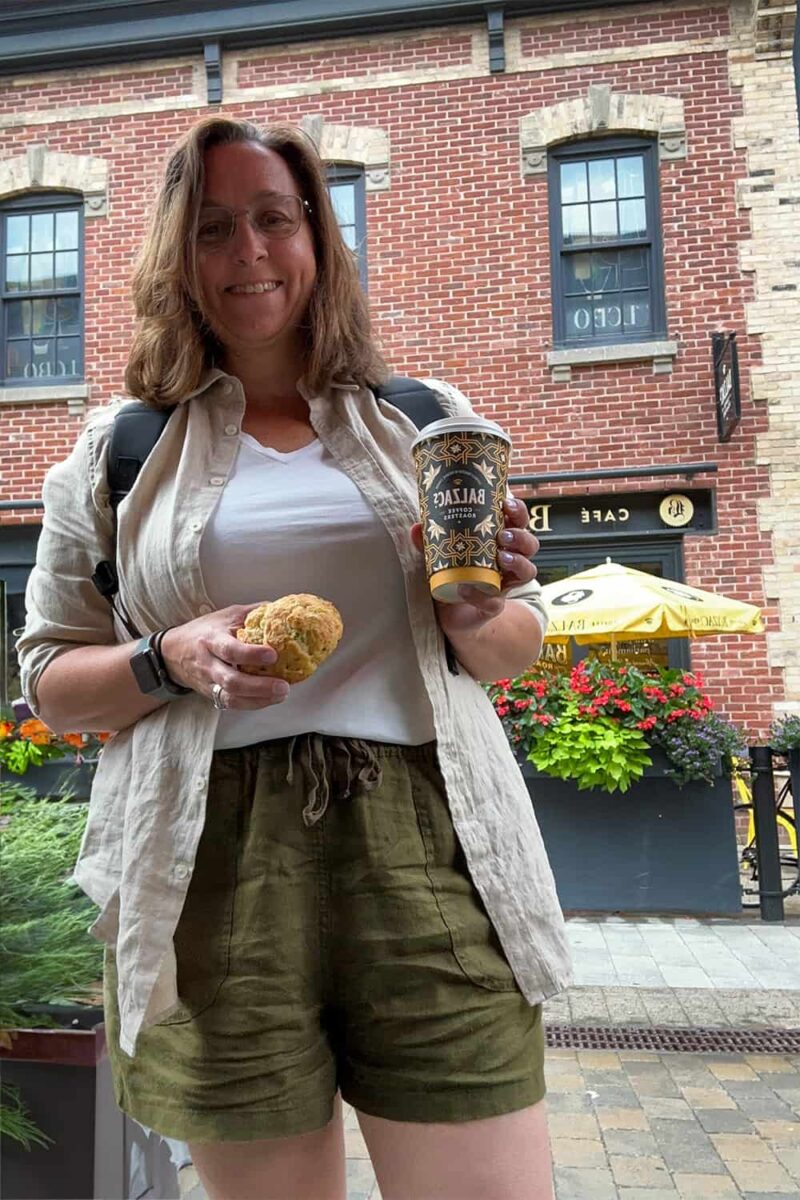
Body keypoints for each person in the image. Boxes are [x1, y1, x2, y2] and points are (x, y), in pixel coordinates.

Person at [17, 116, 571, 1200]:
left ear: (317, 236)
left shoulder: (422, 421)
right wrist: (170, 657)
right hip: (206, 856)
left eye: (276, 220)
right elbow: (47, 680)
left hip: (425, 838)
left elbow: (511, 650)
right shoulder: (118, 450)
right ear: (178, 253)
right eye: (215, 227)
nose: (250, 254)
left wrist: (476, 610)